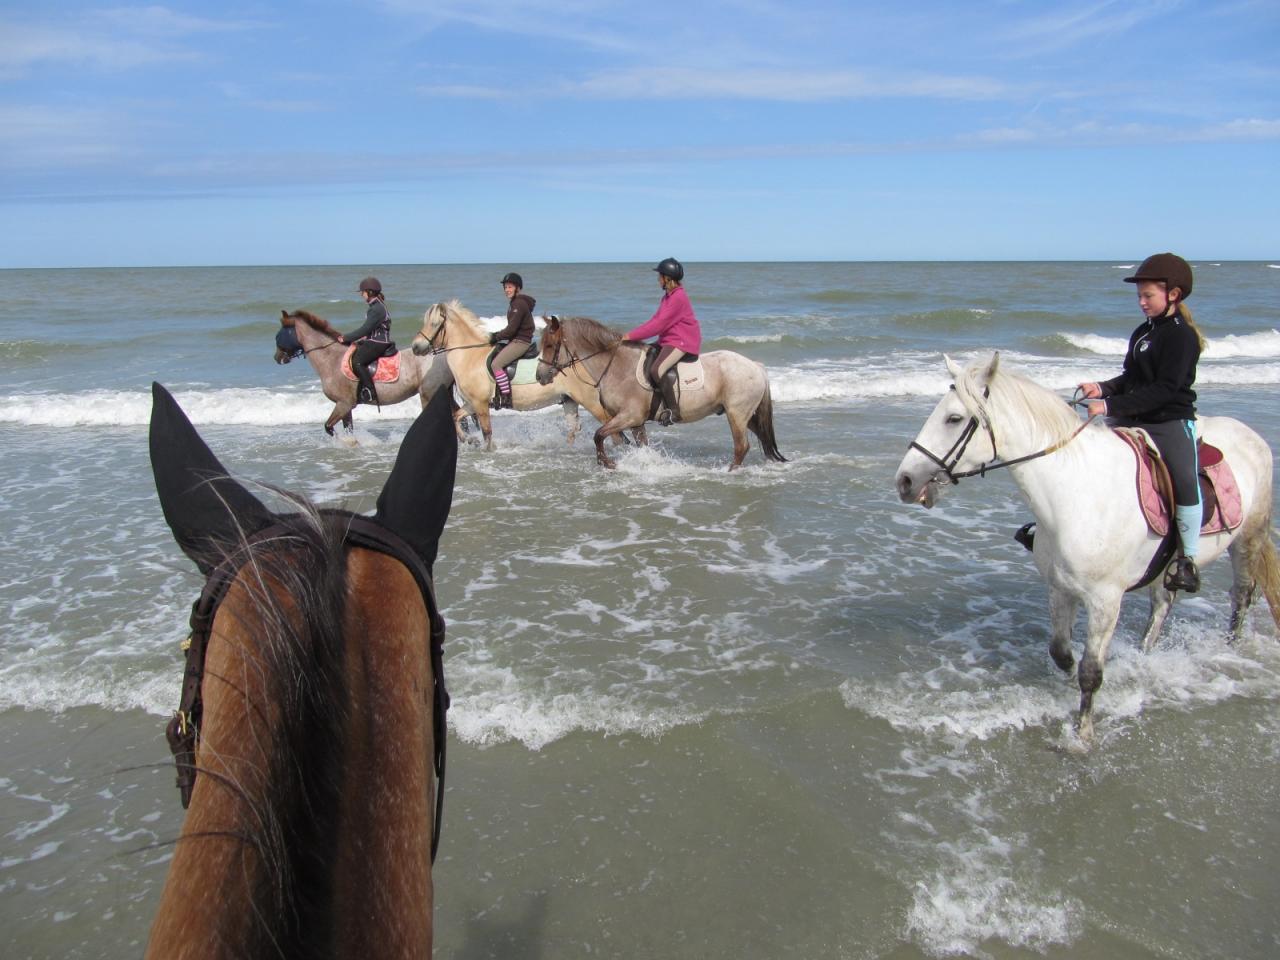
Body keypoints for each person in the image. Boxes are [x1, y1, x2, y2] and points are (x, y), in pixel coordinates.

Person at [1078, 252, 1206, 592]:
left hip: (1168, 420)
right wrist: (1102, 388)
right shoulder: (1143, 332)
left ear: (1173, 294)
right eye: (1139, 296)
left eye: (1148, 296)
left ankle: (1187, 559)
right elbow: (1130, 377)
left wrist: (1108, 405)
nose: (1142, 302)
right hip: (1133, 415)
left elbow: (1164, 390)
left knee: (1183, 479)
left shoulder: (1182, 336)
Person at [623, 257, 702, 425]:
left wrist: (630, 337)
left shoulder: (678, 297)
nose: (658, 279)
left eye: (660, 276)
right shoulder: (667, 296)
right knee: (645, 355)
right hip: (668, 340)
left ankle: (674, 411)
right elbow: (654, 320)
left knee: (657, 370)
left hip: (682, 341)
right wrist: (632, 336)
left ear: (667, 278)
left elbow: (658, 325)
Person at [340, 277, 395, 405]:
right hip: (374, 340)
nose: (361, 294)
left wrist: (346, 338)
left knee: (357, 361)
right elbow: (369, 330)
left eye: (363, 292)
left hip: (378, 342)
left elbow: (365, 329)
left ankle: (370, 391)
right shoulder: (376, 306)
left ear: (369, 292)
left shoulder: (376, 309)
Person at [489, 272, 536, 409]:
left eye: (510, 287)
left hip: (520, 342)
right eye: (505, 287)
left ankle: (506, 397)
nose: (506, 290)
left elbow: (511, 329)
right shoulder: (514, 303)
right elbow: (511, 329)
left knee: (496, 364)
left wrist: (495, 336)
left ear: (517, 288)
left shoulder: (518, 304)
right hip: (516, 340)